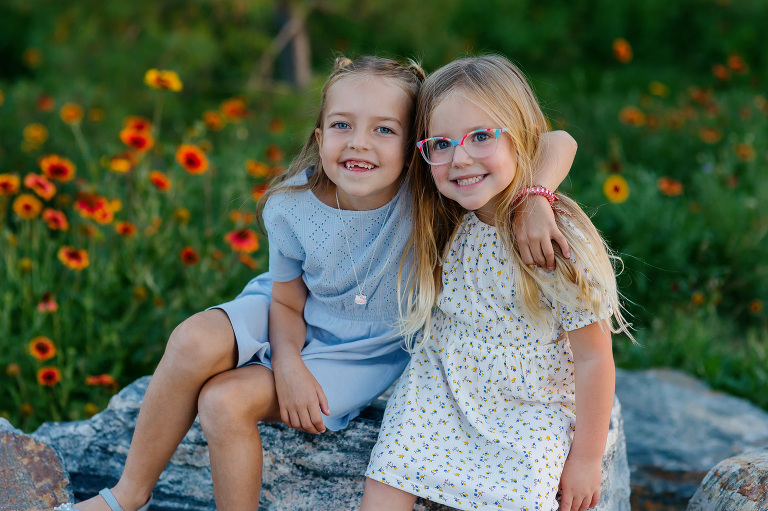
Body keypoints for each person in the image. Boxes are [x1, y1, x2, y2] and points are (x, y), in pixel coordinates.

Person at [57, 55, 577, 511]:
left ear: (417, 145)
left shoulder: (428, 191)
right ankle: (127, 495)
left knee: (223, 402)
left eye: (384, 130)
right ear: (318, 135)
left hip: (363, 350)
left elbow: (557, 139)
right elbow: (284, 299)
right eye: (341, 125)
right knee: (192, 339)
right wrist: (288, 365)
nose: (359, 144)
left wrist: (534, 197)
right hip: (287, 311)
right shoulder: (291, 204)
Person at [361, 54, 634, 511]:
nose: (460, 158)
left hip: (529, 405)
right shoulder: (447, 215)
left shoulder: (546, 236)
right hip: (440, 388)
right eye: (441, 144)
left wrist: (586, 458)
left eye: (482, 136)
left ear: (520, 136)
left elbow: (593, 357)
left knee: (522, 494)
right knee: (389, 474)